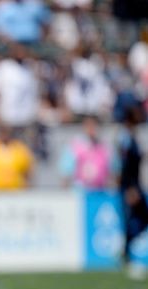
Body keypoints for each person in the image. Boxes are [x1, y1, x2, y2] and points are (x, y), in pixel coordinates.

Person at [117, 104, 148, 264]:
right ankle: (125, 254)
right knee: (130, 220)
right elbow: (125, 165)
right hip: (130, 186)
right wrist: (130, 188)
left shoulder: (132, 135)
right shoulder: (125, 137)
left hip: (135, 185)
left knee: (140, 219)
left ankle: (125, 251)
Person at [58, 116, 117, 190]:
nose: (91, 129)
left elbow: (114, 172)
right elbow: (65, 172)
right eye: (88, 125)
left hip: (100, 191)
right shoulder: (75, 146)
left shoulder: (106, 147)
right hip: (80, 193)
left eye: (94, 125)